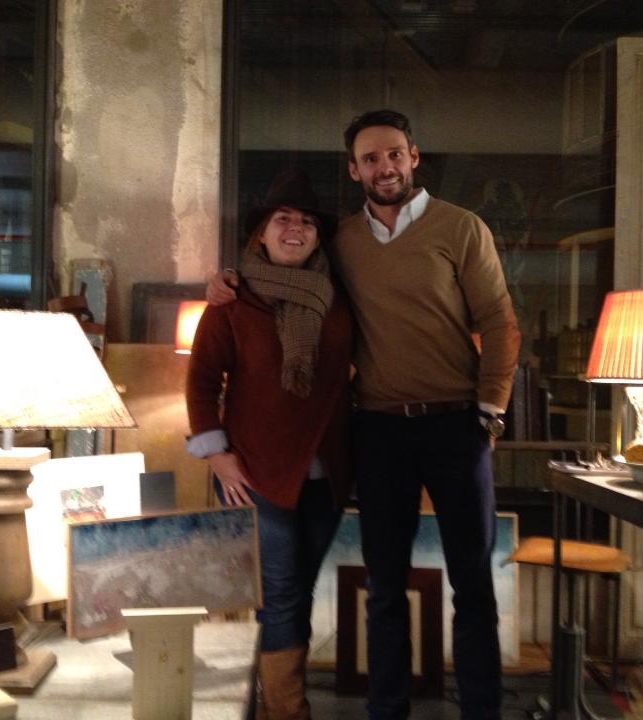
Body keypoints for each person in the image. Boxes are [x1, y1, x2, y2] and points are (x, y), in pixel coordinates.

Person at [208, 109, 521, 720]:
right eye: (370, 159)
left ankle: (481, 711)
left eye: (394, 154)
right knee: (383, 589)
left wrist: (490, 414)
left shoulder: (462, 228)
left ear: (414, 157)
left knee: (473, 585)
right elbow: (284, 275)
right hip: (377, 431)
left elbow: (500, 323)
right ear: (354, 170)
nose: (385, 167)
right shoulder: (343, 241)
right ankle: (386, 711)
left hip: (458, 426)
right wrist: (226, 282)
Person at [185, 168, 353, 720]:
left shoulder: (339, 299)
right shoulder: (232, 301)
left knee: (298, 590)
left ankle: (269, 701)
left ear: (317, 237)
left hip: (326, 471)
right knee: (280, 592)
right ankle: (287, 710)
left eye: (306, 222)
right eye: (283, 219)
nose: (294, 229)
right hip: (254, 474)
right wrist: (217, 455)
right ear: (262, 232)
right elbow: (202, 382)